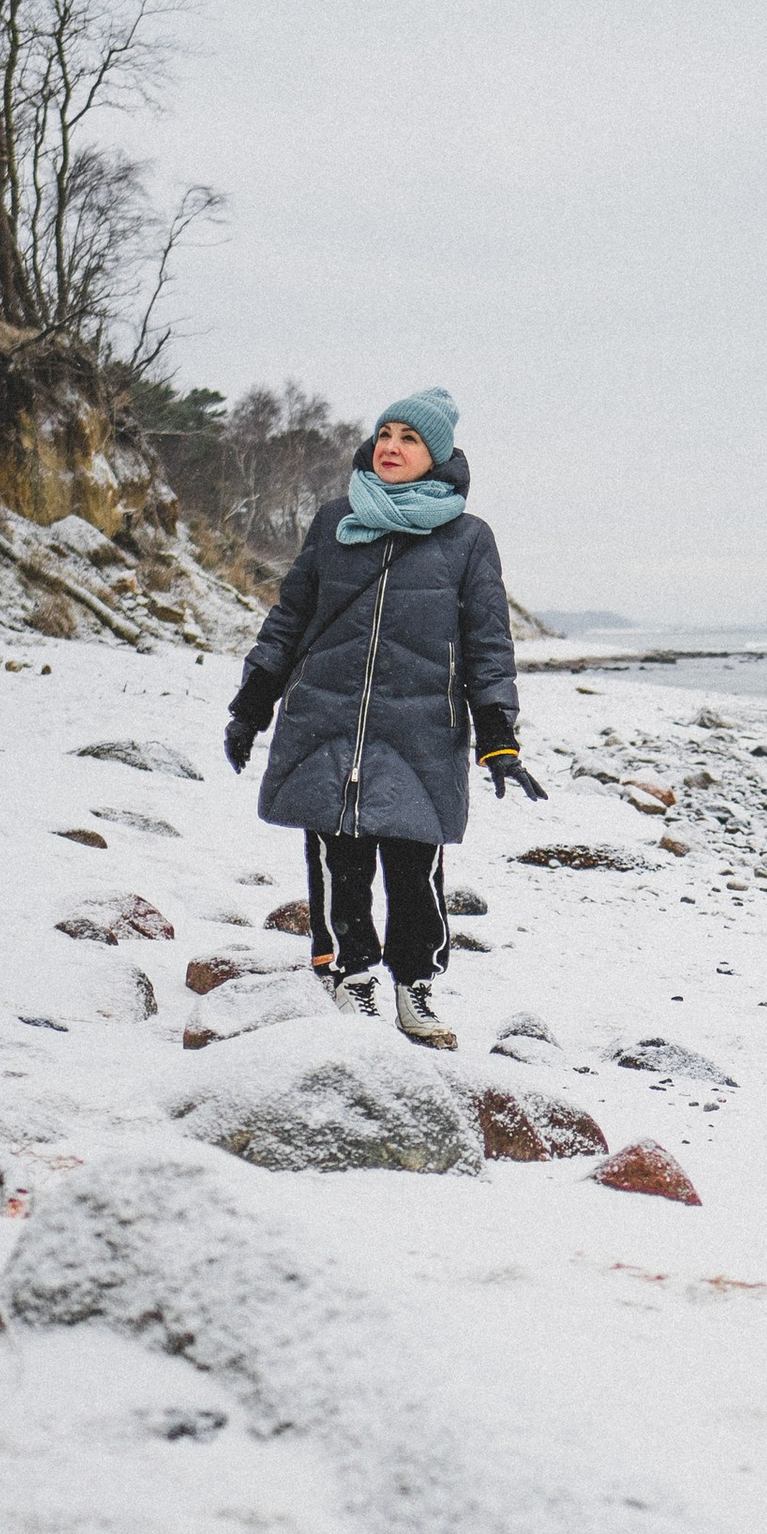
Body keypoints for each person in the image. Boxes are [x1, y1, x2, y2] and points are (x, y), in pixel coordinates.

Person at [222, 387, 544, 1045]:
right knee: (336, 857)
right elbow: (289, 621)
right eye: (386, 434)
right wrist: (252, 706)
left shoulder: (468, 539)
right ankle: (349, 974)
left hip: (422, 730)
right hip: (326, 717)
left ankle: (414, 984)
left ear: (437, 456)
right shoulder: (335, 522)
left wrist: (498, 738)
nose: (391, 447)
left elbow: (488, 645)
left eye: (410, 439)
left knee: (414, 867)